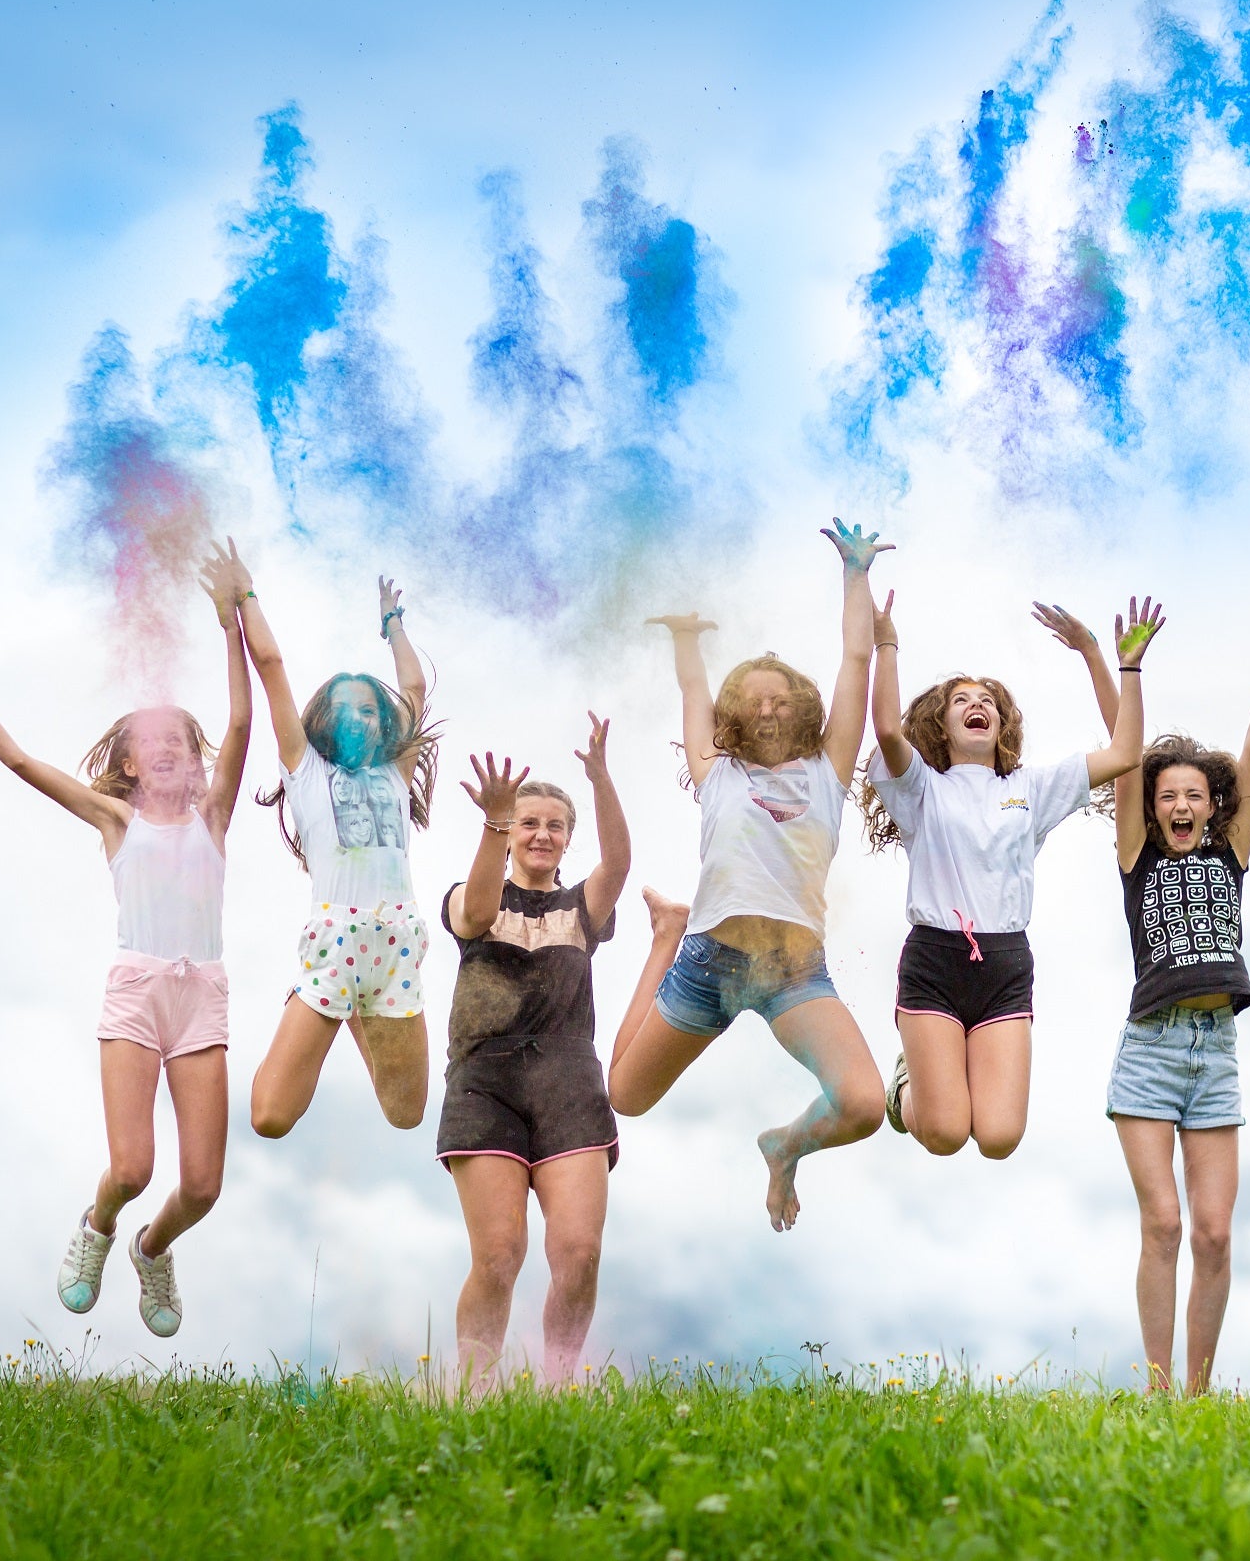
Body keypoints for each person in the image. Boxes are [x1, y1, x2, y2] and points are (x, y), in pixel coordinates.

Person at [0, 542, 253, 1337]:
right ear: (130, 761)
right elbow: (18, 759)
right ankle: (100, 1224)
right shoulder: (117, 819)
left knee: (201, 1186)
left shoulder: (214, 816)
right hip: (137, 991)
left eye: (181, 736)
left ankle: (150, 1247)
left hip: (201, 992)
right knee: (133, 1167)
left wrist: (229, 619)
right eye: (152, 737)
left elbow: (241, 719)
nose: (169, 744)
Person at [1048, 596, 1250, 1395]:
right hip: (1151, 1054)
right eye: (1168, 796)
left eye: (1194, 794)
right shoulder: (1136, 856)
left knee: (1216, 1235)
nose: (1182, 805)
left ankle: (1196, 1394)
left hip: (1215, 1056)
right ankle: (1159, 1390)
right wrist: (1119, 663)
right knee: (1163, 1223)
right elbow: (1124, 755)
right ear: (1152, 806)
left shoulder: (1231, 852)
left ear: (1212, 804)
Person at [608, 520, 889, 1232]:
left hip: (794, 971)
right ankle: (664, 936)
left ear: (801, 707)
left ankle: (785, 1146)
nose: (768, 705)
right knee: (624, 1094)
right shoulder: (719, 773)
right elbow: (694, 690)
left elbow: (856, 661)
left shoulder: (828, 771)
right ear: (735, 714)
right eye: (753, 698)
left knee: (862, 1103)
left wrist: (855, 574)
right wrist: (685, 642)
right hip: (709, 962)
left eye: (781, 696)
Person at [857, 590, 1146, 1159]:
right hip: (935, 960)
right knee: (942, 1134)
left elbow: (1127, 751)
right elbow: (888, 731)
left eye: (987, 698)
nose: (977, 703)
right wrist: (886, 643)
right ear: (942, 726)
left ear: (1000, 722)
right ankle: (905, 1087)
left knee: (997, 1138)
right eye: (962, 699)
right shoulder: (922, 789)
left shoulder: (1030, 790)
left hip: (1006, 964)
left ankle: (934, 1069)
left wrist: (1104, 657)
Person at [436, 716, 645, 1390]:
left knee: (578, 1251)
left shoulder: (580, 908)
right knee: (499, 1253)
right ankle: (472, 1391)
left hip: (568, 1081)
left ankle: (557, 1387)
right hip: (484, 1081)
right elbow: (471, 913)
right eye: (529, 822)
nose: (541, 834)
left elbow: (617, 865)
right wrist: (493, 825)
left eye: (554, 825)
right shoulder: (477, 897)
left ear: (566, 840)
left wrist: (602, 778)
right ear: (509, 831)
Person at [243, 566, 441, 1137]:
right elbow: (272, 668)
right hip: (337, 946)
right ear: (324, 722)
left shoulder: (396, 774)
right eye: (345, 707)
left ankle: (358, 1009)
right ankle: (310, 1001)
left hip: (399, 947)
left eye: (370, 709)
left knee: (406, 1115)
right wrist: (247, 595)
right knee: (270, 1118)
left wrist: (393, 625)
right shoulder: (308, 771)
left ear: (384, 727)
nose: (359, 716)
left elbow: (414, 691)